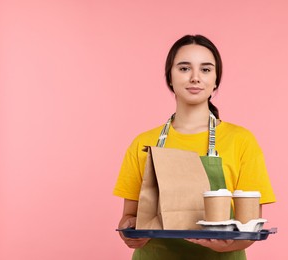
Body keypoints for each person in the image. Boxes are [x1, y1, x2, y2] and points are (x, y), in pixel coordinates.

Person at [113, 34, 276, 259]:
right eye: (184, 68)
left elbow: (250, 226)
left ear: (216, 80)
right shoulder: (143, 143)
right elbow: (129, 216)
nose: (195, 78)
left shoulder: (241, 141)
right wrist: (131, 232)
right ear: (169, 77)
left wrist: (225, 246)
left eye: (206, 70)